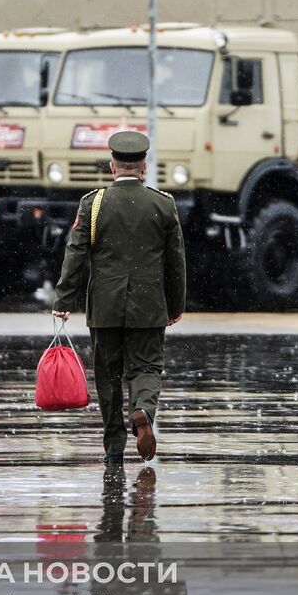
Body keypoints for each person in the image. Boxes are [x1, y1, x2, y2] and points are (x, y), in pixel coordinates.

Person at [52, 131, 186, 464]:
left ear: (113, 167)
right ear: (144, 167)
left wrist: (64, 300)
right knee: (147, 367)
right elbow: (176, 261)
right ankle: (142, 409)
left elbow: (76, 253)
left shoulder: (93, 204)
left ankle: (114, 446)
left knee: (108, 375)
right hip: (149, 304)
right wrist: (175, 304)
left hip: (105, 306)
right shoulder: (163, 204)